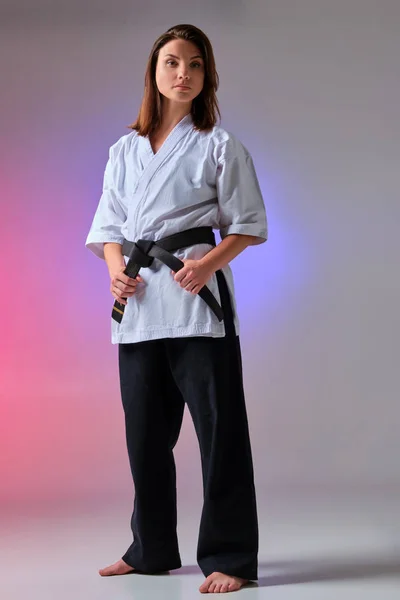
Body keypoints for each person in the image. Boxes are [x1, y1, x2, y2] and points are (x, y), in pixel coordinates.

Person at [86, 23, 267, 595]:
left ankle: (231, 555)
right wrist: (116, 271)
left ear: (207, 75)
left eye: (194, 64)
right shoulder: (124, 149)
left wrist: (209, 264)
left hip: (198, 307)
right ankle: (151, 549)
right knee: (144, 437)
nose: (182, 73)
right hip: (139, 309)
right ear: (155, 72)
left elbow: (248, 224)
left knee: (220, 436)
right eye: (172, 62)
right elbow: (109, 225)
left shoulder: (219, 145)